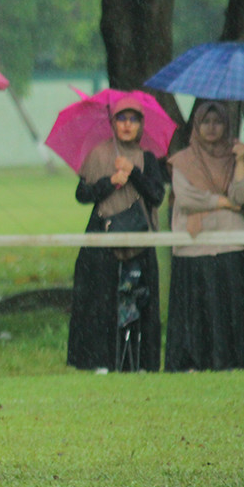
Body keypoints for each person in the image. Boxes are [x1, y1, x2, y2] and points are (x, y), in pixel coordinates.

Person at [68, 96, 166, 372]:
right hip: (104, 235)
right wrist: (109, 182)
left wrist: (133, 172)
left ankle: (141, 361)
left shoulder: (147, 158)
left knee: (141, 297)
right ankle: (101, 360)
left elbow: (156, 195)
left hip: (139, 236)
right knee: (101, 299)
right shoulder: (99, 154)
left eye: (133, 120)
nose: (127, 125)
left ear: (141, 126)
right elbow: (82, 194)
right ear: (113, 123)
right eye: (122, 119)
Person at [165, 101, 244, 371]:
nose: (211, 128)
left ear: (226, 125)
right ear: (196, 125)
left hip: (231, 242)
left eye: (217, 122)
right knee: (197, 309)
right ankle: (193, 362)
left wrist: (241, 161)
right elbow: (186, 199)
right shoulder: (183, 160)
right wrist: (222, 203)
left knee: (231, 308)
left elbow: (241, 196)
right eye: (205, 122)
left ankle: (234, 361)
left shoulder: (234, 158)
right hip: (194, 243)